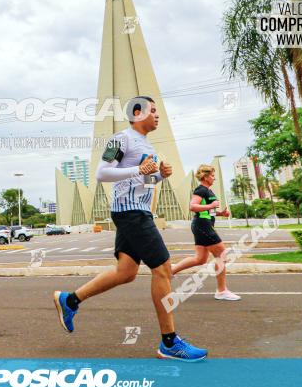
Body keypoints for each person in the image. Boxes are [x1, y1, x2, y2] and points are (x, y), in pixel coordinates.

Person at [52, 96, 208, 361]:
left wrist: (160, 175)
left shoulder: (147, 145)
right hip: (130, 213)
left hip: (137, 210)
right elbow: (102, 173)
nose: (158, 115)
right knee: (162, 269)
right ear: (138, 112)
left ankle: (70, 300)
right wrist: (139, 168)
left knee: (126, 273)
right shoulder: (120, 139)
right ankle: (169, 342)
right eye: (153, 110)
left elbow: (143, 181)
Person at [170, 164, 240, 301]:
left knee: (200, 259)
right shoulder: (201, 189)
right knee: (221, 254)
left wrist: (220, 213)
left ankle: (169, 272)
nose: (214, 178)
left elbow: (208, 211)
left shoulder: (209, 191)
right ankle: (221, 291)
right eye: (212, 176)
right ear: (206, 177)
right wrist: (211, 206)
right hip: (202, 225)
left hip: (203, 224)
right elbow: (192, 206)